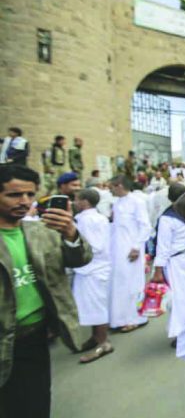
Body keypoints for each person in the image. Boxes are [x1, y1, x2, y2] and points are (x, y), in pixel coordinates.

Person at [0, 164, 91, 418]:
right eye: (14, 195)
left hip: (34, 337)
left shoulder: (39, 231)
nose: (25, 201)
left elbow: (79, 259)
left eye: (30, 195)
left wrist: (71, 232)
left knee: (35, 405)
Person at [150, 183, 185, 353]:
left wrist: (158, 270)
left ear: (169, 198)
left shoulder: (167, 218)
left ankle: (183, 333)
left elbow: (162, 247)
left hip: (178, 262)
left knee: (180, 299)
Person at [72, 188, 113, 363]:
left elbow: (93, 245)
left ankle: (103, 342)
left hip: (93, 268)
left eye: (76, 199)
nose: (74, 202)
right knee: (90, 304)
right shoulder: (96, 217)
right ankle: (95, 337)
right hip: (93, 268)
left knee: (96, 305)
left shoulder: (87, 220)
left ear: (85, 202)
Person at [108, 175, 151, 332]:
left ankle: (136, 318)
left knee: (132, 285)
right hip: (117, 250)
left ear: (119, 186)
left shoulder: (136, 202)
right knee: (119, 285)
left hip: (131, 250)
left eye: (111, 186)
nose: (110, 189)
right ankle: (119, 319)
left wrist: (136, 247)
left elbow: (145, 226)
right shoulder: (116, 203)